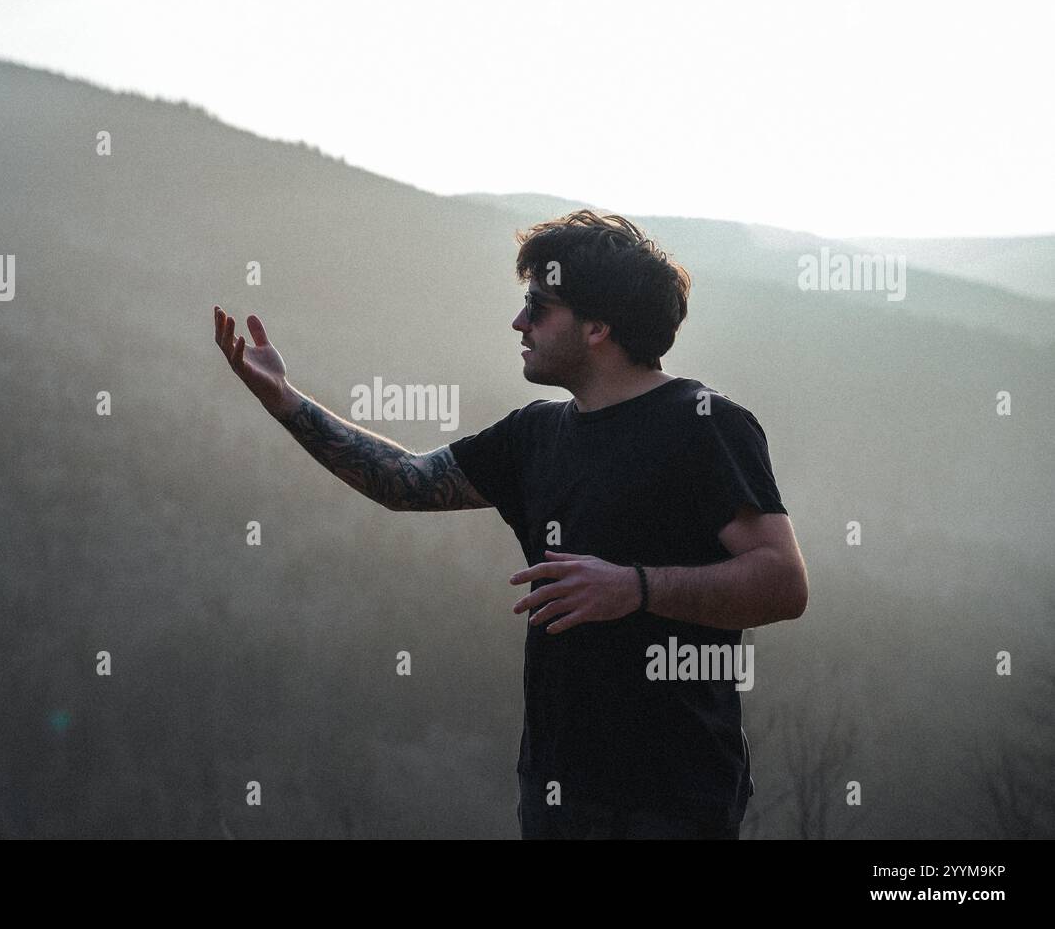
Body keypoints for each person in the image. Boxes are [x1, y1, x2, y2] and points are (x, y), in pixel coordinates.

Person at [213, 209, 808, 839]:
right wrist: (285, 399)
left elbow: (782, 583)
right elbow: (405, 482)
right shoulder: (535, 434)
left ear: (598, 327)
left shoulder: (704, 423)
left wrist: (635, 588)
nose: (519, 322)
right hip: (557, 793)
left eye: (538, 306)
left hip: (674, 799)